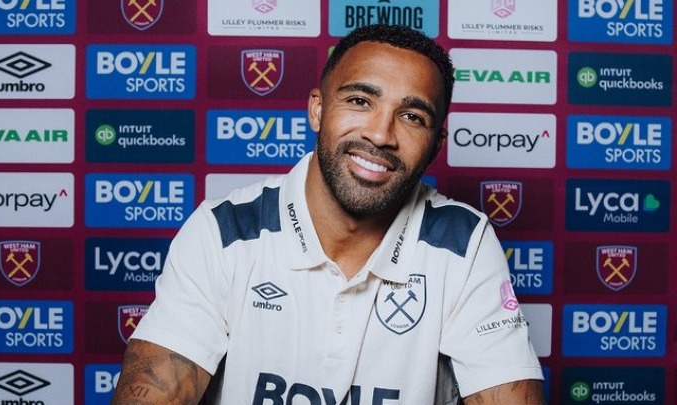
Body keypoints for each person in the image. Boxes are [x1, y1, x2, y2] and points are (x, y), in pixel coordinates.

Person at [111, 24, 545, 405]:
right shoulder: (225, 230)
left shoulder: (463, 243)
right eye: (360, 100)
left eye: (412, 116)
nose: (381, 134)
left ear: (436, 144)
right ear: (318, 110)